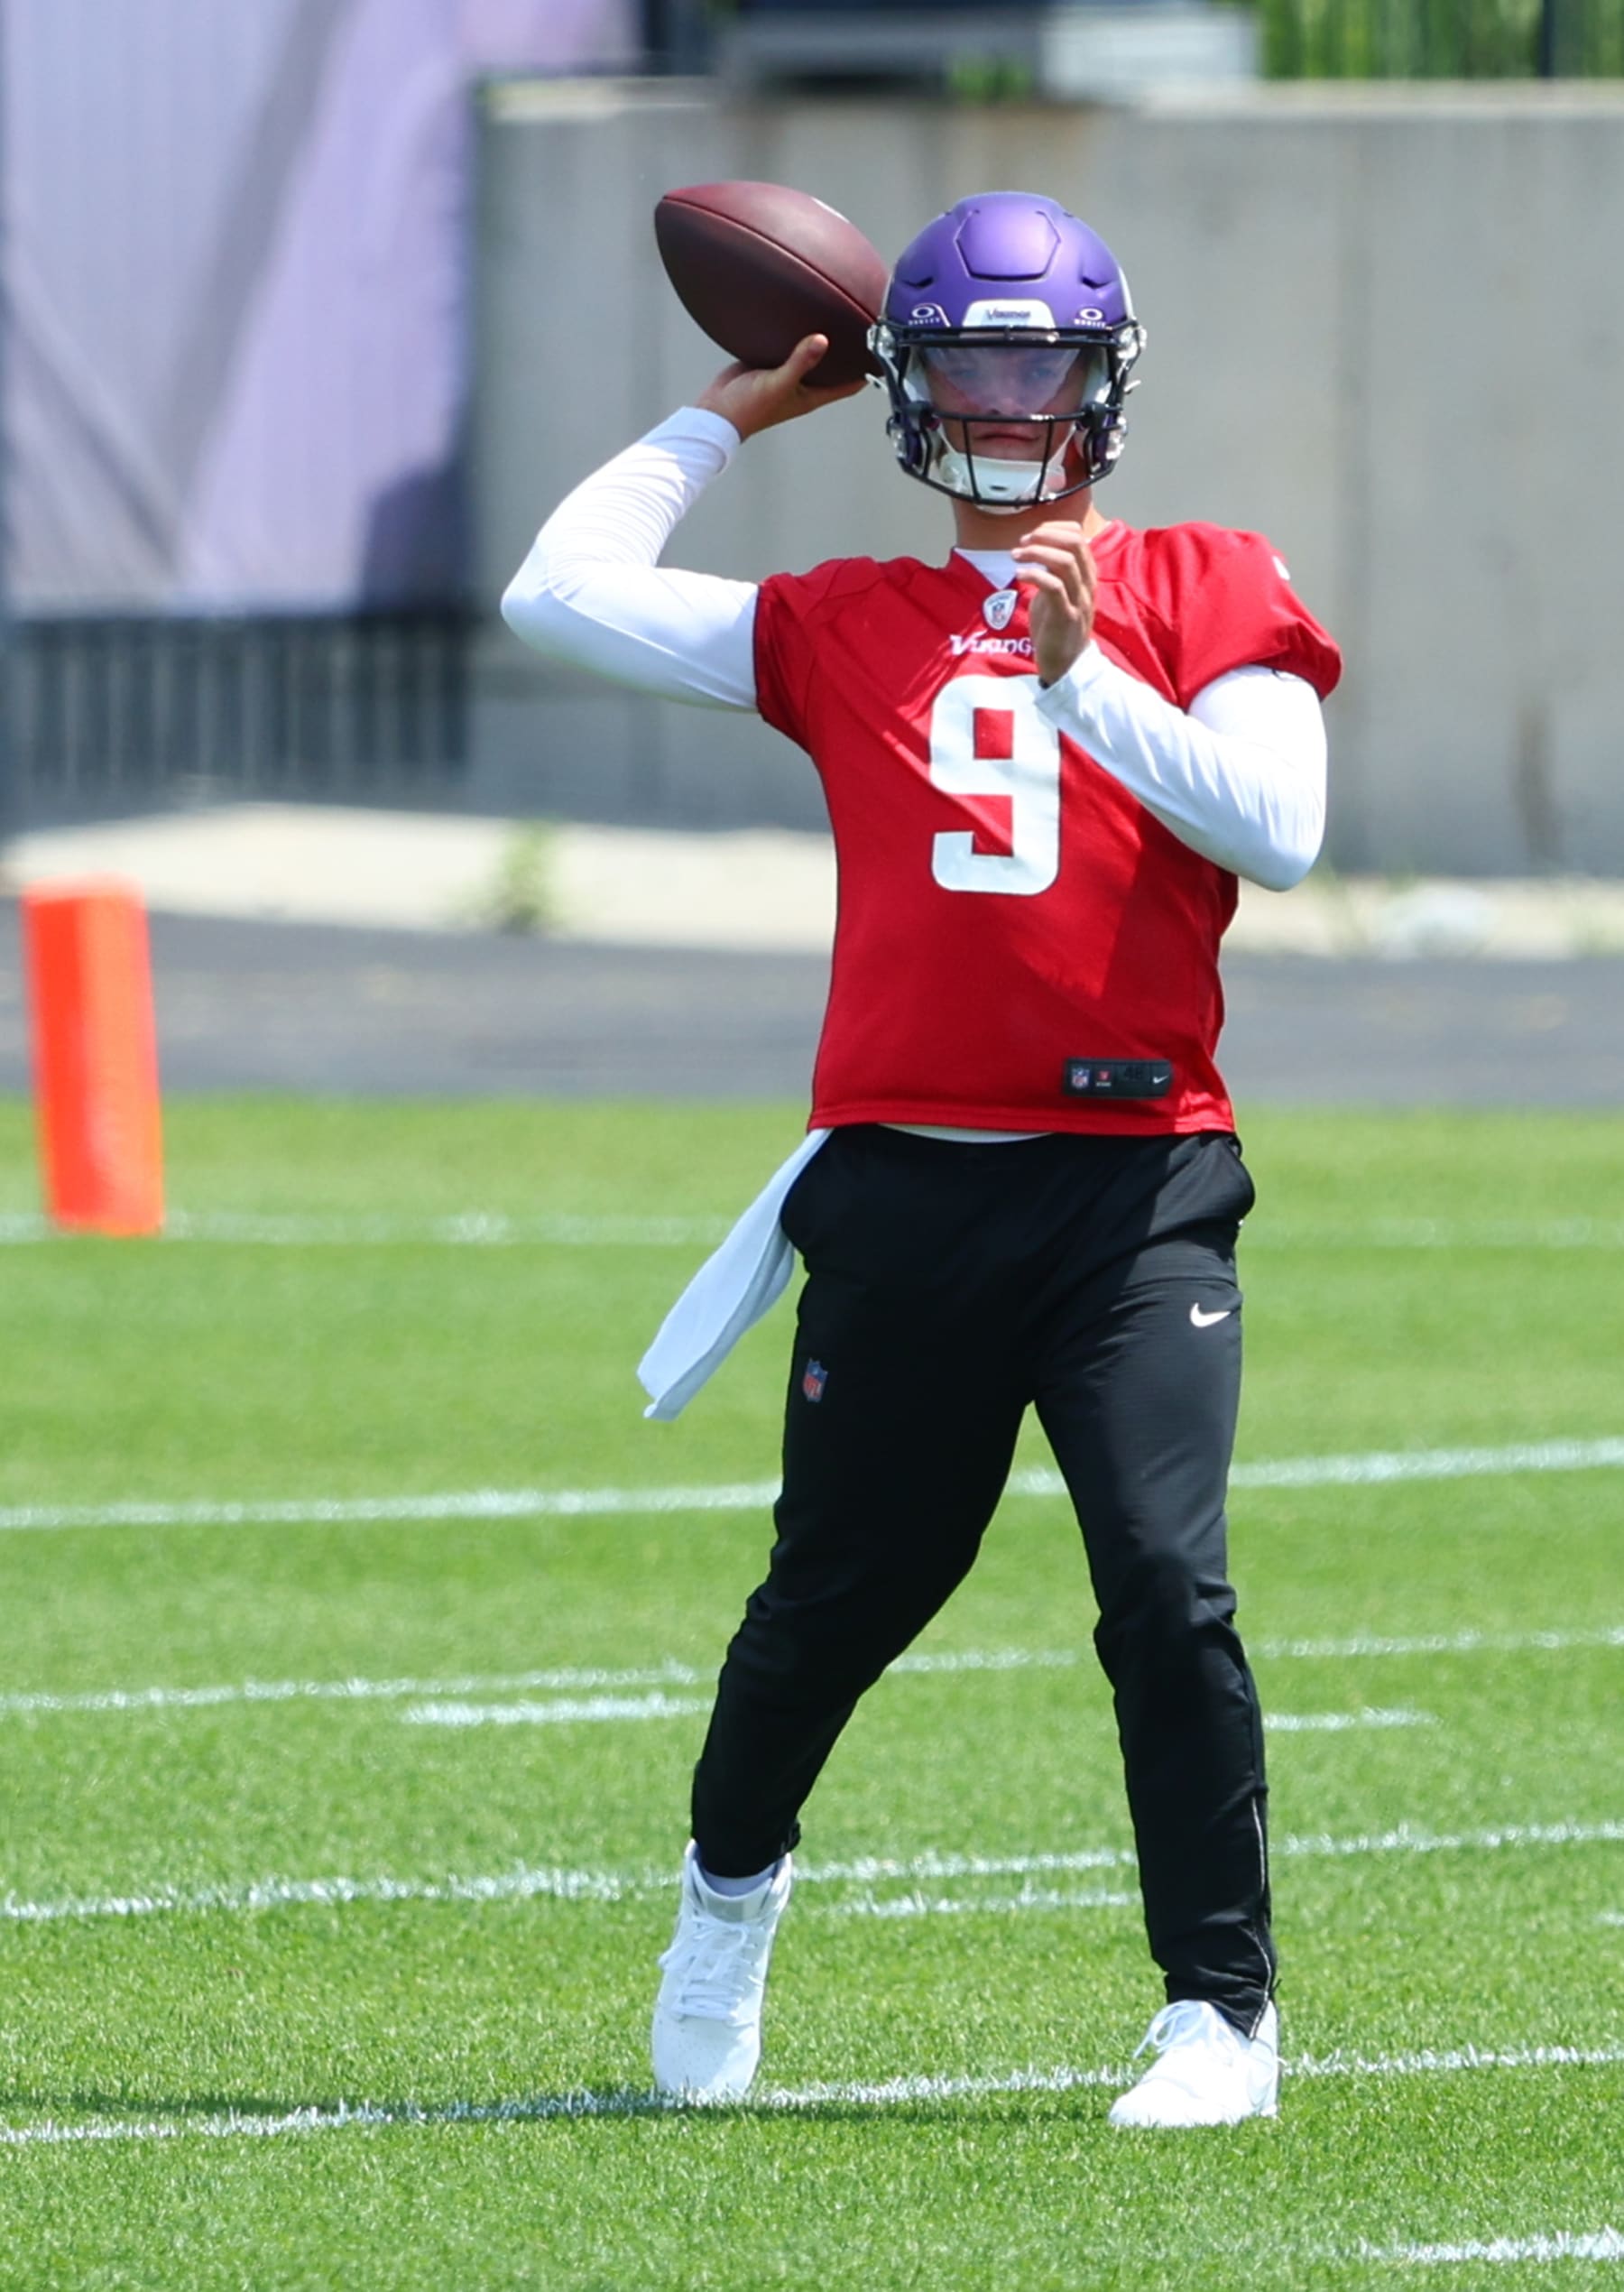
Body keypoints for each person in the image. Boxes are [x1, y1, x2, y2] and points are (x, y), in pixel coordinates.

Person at [502, 190, 1341, 2128]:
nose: (1002, 391)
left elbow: (1279, 829)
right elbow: (555, 590)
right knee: (840, 1595)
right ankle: (727, 1897)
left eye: (1036, 356)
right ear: (905, 380)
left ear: (1101, 381)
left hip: (1134, 1188)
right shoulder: (846, 619)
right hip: (905, 1188)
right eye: (964, 351)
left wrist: (1081, 675)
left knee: (1164, 1581)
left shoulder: (1208, 581)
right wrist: (724, 415)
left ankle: (1222, 2012)